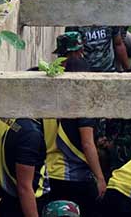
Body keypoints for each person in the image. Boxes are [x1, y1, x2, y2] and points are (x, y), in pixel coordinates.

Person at [44, 56, 106, 216]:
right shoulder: (81, 104)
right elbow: (87, 143)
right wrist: (100, 178)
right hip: (73, 176)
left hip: (49, 174)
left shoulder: (49, 100)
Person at [0, 118, 49, 217]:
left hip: (9, 202)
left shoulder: (10, 121)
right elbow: (24, 188)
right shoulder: (30, 134)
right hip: (26, 206)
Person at [66, 0, 131, 73]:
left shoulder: (109, 18)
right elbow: (69, 52)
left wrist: (128, 69)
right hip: (85, 72)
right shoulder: (76, 22)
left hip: (108, 71)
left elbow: (118, 44)